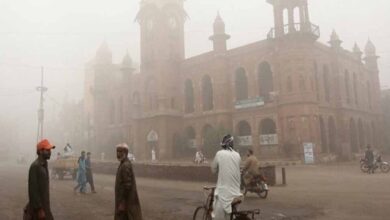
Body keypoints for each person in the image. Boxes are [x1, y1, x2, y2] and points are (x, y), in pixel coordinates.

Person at [211, 134, 242, 220]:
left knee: (217, 217)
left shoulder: (219, 154)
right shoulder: (237, 155)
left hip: (224, 193)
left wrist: (219, 169)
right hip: (237, 193)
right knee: (231, 216)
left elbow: (213, 169)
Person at [27, 139, 55, 220]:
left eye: (50, 150)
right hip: (39, 210)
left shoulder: (44, 164)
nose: (50, 152)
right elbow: (33, 190)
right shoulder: (35, 166)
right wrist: (39, 209)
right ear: (40, 151)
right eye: (47, 150)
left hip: (45, 206)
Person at [115, 143, 143, 220]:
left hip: (126, 201)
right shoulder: (123, 164)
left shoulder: (125, 165)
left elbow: (127, 185)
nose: (118, 154)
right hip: (125, 201)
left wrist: (122, 202)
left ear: (126, 153)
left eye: (121, 152)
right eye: (117, 152)